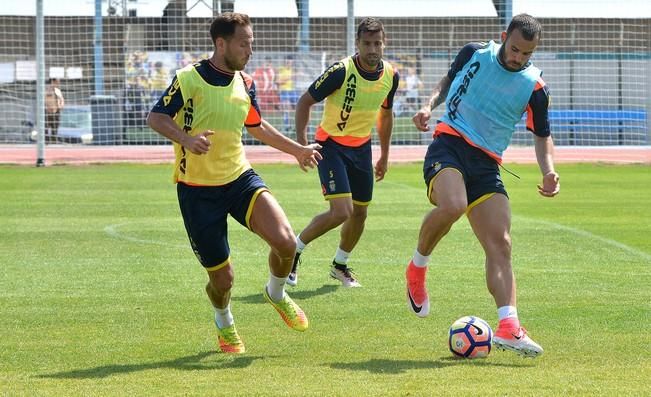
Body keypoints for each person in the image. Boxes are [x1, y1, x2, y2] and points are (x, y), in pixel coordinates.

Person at [146, 12, 322, 354]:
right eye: (244, 43)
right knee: (223, 280)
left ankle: (275, 292)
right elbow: (156, 117)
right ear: (221, 43)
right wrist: (187, 139)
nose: (250, 49)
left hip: (239, 179)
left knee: (286, 242)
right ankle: (224, 320)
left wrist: (297, 150)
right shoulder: (189, 79)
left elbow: (256, 126)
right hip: (197, 192)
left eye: (252, 43)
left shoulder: (246, 82)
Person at [406, 13, 559, 358]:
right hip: (449, 144)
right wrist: (428, 106)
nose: (518, 58)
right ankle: (417, 268)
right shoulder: (474, 52)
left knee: (501, 244)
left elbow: (542, 136)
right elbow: (447, 82)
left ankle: (509, 326)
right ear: (504, 36)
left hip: (487, 163)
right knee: (453, 205)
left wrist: (548, 170)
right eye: (515, 49)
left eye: (527, 54)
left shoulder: (535, 88)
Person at [289, 17, 399, 287]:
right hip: (331, 146)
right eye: (366, 43)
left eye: (377, 43)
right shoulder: (341, 70)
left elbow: (385, 116)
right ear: (357, 44)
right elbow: (305, 102)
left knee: (360, 213)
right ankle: (293, 250)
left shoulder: (391, 76)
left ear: (384, 44)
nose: (372, 49)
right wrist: (302, 145)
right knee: (341, 211)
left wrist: (384, 155)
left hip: (362, 148)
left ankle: (340, 265)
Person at [277, 55, 298, 131]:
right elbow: (278, 82)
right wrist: (290, 77)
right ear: (285, 61)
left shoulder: (293, 70)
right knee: (286, 108)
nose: (289, 63)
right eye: (288, 61)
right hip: (284, 91)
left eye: (290, 61)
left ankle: (297, 126)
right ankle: (287, 126)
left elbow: (295, 78)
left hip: (293, 91)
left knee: (299, 107)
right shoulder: (281, 69)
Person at [45, 78, 64, 143]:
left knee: (55, 128)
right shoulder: (47, 90)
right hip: (47, 112)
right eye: (56, 82)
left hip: (56, 112)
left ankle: (54, 141)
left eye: (58, 82)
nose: (58, 84)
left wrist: (61, 105)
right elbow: (45, 100)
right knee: (46, 128)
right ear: (52, 82)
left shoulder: (57, 91)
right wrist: (47, 107)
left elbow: (61, 99)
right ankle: (46, 141)